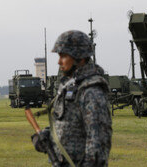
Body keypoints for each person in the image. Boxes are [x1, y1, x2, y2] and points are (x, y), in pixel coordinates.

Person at [32, 30, 112, 167]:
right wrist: (48, 136)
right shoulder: (69, 86)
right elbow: (69, 125)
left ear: (79, 58)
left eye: (63, 56)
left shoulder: (90, 91)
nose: (59, 62)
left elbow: (98, 144)